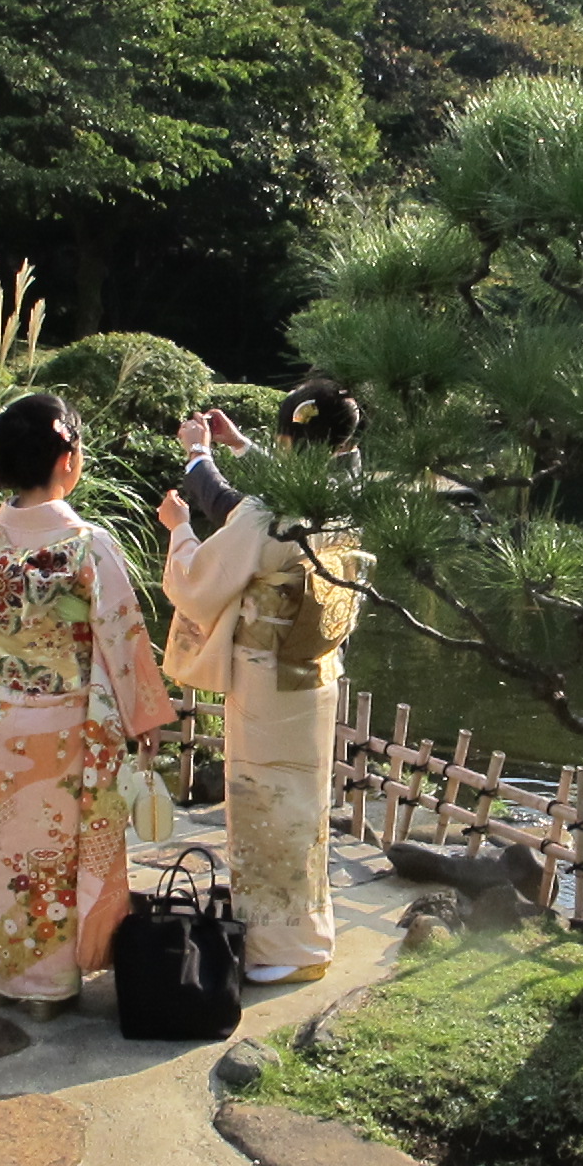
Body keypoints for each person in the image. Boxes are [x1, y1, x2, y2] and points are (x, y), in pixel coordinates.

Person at [0, 394, 175, 1019]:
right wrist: (142, 719)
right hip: (64, 721)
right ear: (69, 460)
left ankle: (5, 973)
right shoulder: (83, 546)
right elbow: (122, 635)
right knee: (55, 848)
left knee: (3, 844)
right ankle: (49, 987)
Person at [157, 379, 368, 985]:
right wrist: (238, 447)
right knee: (305, 804)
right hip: (317, 671)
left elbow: (197, 581)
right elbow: (268, 502)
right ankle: (308, 934)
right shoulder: (346, 492)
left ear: (287, 436)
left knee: (263, 803)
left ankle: (279, 947)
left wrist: (178, 526)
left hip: (266, 675)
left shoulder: (269, 511)